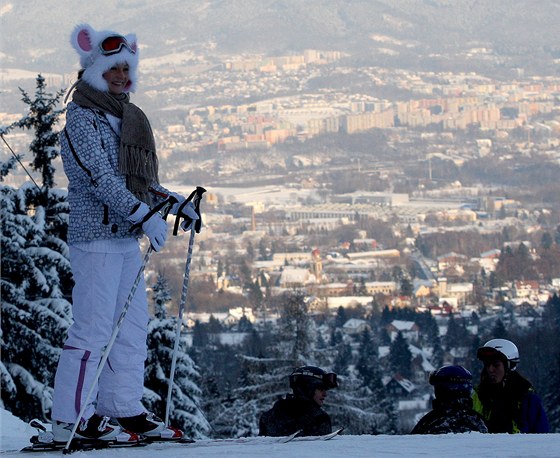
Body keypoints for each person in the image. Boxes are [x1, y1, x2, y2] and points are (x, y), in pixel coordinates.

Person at [51, 24, 196, 444]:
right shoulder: (81, 118)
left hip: (123, 239)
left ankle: (123, 408)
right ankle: (71, 419)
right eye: (112, 67)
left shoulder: (124, 116)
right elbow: (100, 179)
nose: (120, 75)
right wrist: (144, 216)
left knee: (131, 328)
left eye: (126, 68)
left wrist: (173, 204)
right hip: (94, 237)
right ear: (93, 66)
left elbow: (136, 180)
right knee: (93, 329)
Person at [472, 338, 550, 433]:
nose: (490, 370)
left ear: (509, 366)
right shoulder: (478, 396)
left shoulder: (527, 398)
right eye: (487, 365)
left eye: (496, 365)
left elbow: (541, 436)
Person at [259, 366, 338, 437]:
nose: (325, 394)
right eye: (321, 389)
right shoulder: (319, 419)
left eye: (326, 390)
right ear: (307, 388)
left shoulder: (269, 416)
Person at [411, 365, 488, 434]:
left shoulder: (430, 422)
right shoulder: (479, 421)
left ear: (441, 390)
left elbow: (411, 446)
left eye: (437, 387)